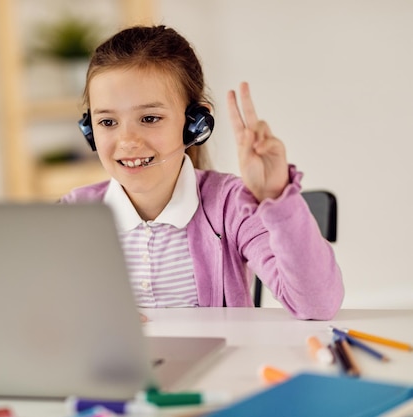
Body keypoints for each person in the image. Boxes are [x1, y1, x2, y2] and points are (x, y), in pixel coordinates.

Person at [59, 25, 344, 320]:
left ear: (195, 124)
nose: (128, 141)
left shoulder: (230, 206)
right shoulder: (73, 214)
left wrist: (276, 195)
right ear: (89, 129)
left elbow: (318, 305)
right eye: (107, 122)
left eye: (149, 118)